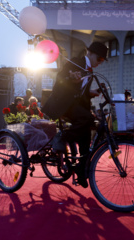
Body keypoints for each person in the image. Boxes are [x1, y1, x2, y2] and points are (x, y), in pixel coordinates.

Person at [42, 41, 108, 188]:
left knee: (87, 131)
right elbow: (59, 81)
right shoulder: (76, 63)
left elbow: (82, 95)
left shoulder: (90, 73)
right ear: (90, 53)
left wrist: (92, 93)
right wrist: (70, 79)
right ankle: (61, 138)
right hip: (61, 103)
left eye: (102, 60)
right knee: (87, 118)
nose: (100, 63)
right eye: (100, 59)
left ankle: (81, 169)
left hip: (73, 105)